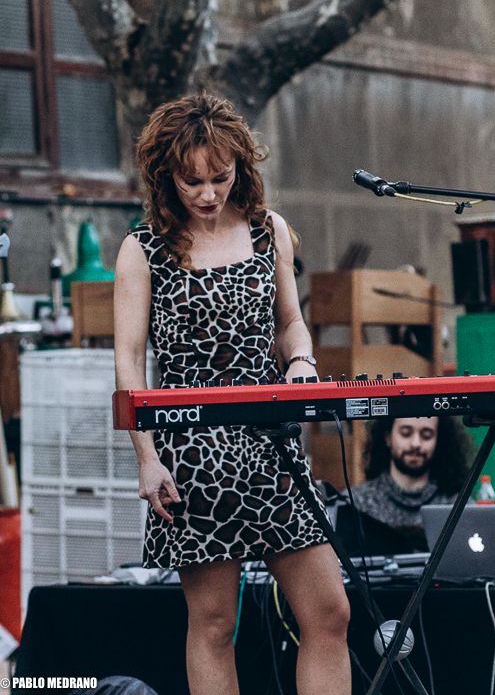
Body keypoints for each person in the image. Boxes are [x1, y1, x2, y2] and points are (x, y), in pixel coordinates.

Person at [114, 94, 351, 695]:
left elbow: (290, 323)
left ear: (241, 167)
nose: (208, 194)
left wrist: (301, 361)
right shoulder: (143, 248)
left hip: (271, 443)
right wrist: (147, 459)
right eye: (191, 181)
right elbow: (129, 362)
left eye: (220, 177)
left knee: (329, 613)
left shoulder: (270, 232)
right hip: (193, 450)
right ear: (165, 174)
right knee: (215, 625)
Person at [339, 415, 475, 550]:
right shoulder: (354, 505)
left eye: (426, 436)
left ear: (439, 440)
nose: (416, 443)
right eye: (406, 433)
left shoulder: (460, 505)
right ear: (387, 437)